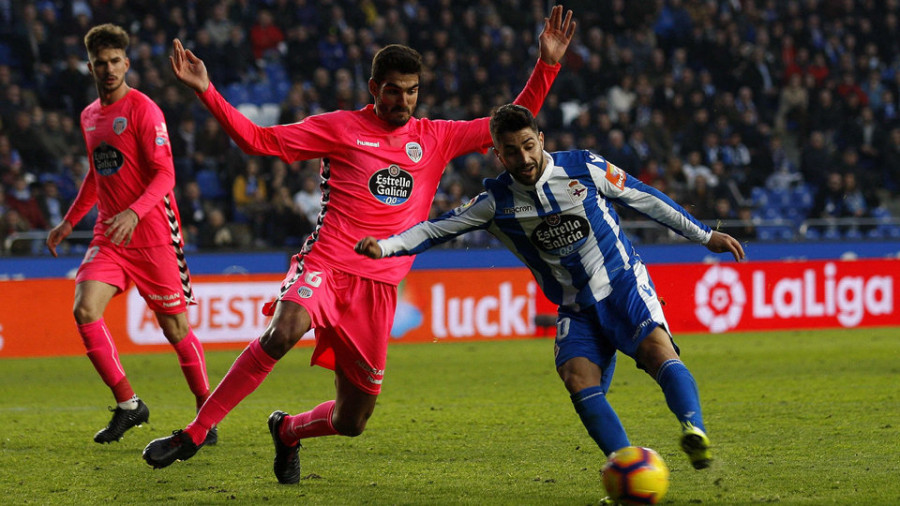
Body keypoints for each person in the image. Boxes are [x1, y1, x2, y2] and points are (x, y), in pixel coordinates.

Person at [142, 6, 576, 484]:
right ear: (374, 88)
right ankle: (197, 431)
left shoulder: (436, 138)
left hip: (379, 287)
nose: (403, 100)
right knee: (283, 330)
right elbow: (259, 141)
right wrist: (206, 90)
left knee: (353, 420)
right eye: (394, 90)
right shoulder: (340, 128)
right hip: (327, 264)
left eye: (412, 91)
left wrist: (548, 65)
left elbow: (512, 121)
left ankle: (287, 431)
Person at [355, 104, 745, 470]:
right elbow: (434, 230)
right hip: (575, 307)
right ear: (498, 156)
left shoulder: (585, 168)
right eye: (511, 152)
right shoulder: (495, 202)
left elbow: (645, 197)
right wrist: (386, 246)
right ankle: (628, 466)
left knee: (657, 352)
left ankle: (694, 429)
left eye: (528, 146)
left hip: (623, 284)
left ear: (541, 140)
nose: (523, 159)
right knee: (577, 378)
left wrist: (704, 235)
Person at [45, 24, 215, 446]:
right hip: (110, 233)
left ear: (127, 63)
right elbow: (96, 173)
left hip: (154, 231)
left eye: (115, 61)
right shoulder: (89, 116)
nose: (108, 69)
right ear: (90, 67)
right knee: (85, 310)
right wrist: (69, 221)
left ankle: (206, 412)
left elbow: (166, 175)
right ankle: (128, 405)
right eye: (100, 63)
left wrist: (135, 213)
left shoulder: (143, 110)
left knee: (176, 331)